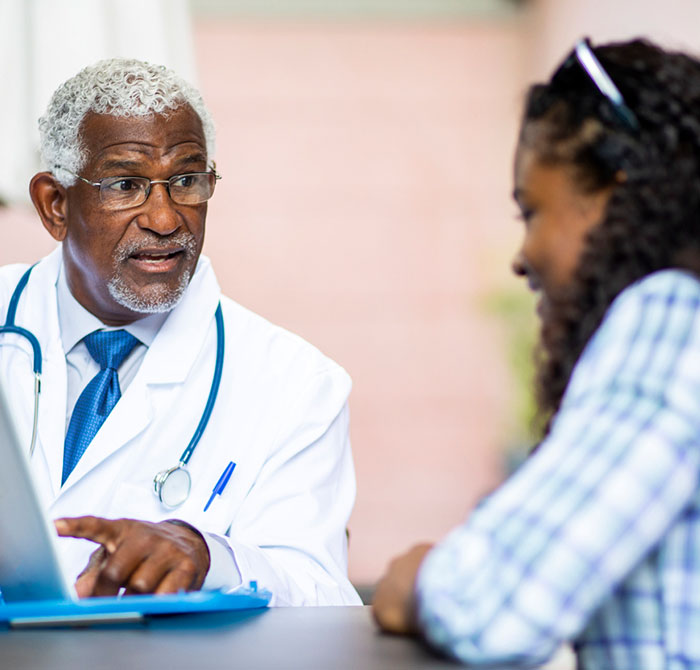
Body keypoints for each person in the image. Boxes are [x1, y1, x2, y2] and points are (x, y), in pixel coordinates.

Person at [372, 38, 700, 667]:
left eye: (533, 212)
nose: (522, 256)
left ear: (614, 195)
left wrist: (420, 578)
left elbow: (497, 610)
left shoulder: (671, 318)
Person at [0, 58, 361, 606]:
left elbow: (326, 599)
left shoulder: (297, 384)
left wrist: (212, 557)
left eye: (187, 180)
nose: (166, 220)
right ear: (55, 204)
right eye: (126, 184)